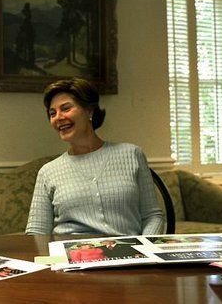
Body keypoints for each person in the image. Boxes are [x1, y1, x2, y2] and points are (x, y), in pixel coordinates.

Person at [25, 78, 164, 236]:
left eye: (66, 108)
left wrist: (146, 249)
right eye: (52, 113)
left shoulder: (132, 154)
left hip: (129, 255)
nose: (58, 117)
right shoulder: (48, 172)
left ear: (89, 110)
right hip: (71, 256)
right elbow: (36, 232)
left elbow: (152, 216)